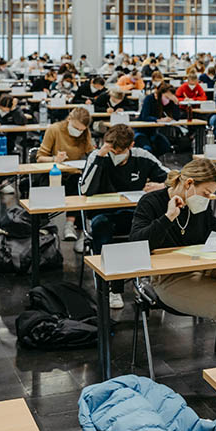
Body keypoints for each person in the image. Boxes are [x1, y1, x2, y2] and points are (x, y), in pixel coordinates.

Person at [127, 158, 216, 360]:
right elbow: (137, 244)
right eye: (206, 192)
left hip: (202, 262)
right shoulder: (152, 202)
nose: (208, 198)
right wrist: (168, 217)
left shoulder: (198, 204)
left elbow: (210, 223)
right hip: (170, 277)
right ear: (189, 184)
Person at [80, 124, 167, 308]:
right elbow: (85, 189)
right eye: (112, 150)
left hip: (134, 213)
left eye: (120, 151)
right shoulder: (98, 156)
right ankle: (112, 286)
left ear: (131, 146)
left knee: (152, 226)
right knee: (101, 225)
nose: (115, 154)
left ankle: (144, 279)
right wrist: (100, 158)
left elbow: (174, 177)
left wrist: (163, 186)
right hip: (104, 213)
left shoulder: (142, 156)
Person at [37, 107, 94, 250]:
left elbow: (91, 152)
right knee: (47, 185)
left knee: (80, 183)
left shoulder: (85, 133)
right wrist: (54, 159)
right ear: (69, 119)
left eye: (81, 129)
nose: (78, 132)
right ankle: (44, 226)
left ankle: (70, 224)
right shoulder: (54, 130)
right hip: (53, 172)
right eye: (75, 128)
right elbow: (39, 157)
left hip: (74, 172)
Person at [136, 83, 180, 157]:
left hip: (154, 132)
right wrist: (158, 120)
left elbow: (177, 117)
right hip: (141, 130)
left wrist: (176, 103)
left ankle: (154, 160)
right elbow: (145, 117)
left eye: (170, 98)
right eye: (166, 97)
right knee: (147, 148)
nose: (168, 100)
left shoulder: (168, 103)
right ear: (161, 94)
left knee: (165, 146)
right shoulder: (149, 99)